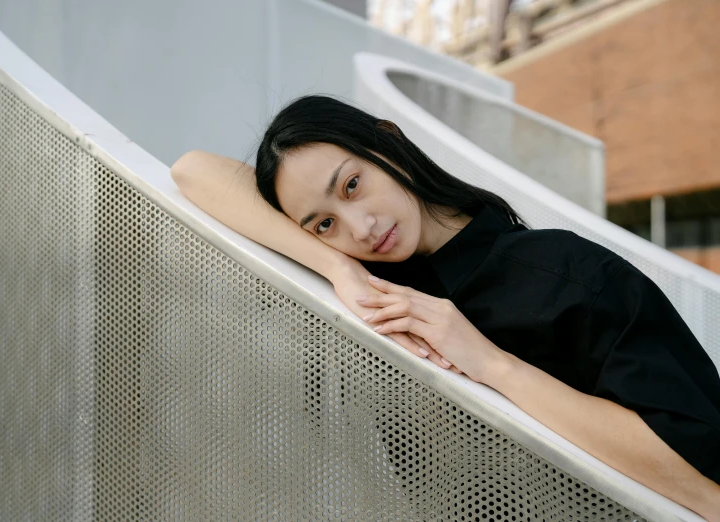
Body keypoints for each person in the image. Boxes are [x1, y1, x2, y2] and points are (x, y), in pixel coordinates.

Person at [171, 95, 720, 520]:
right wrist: (339, 269)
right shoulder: (376, 298)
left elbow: (701, 476)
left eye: (354, 185)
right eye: (324, 224)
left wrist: (493, 366)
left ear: (388, 143)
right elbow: (191, 170)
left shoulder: (564, 271)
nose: (361, 229)